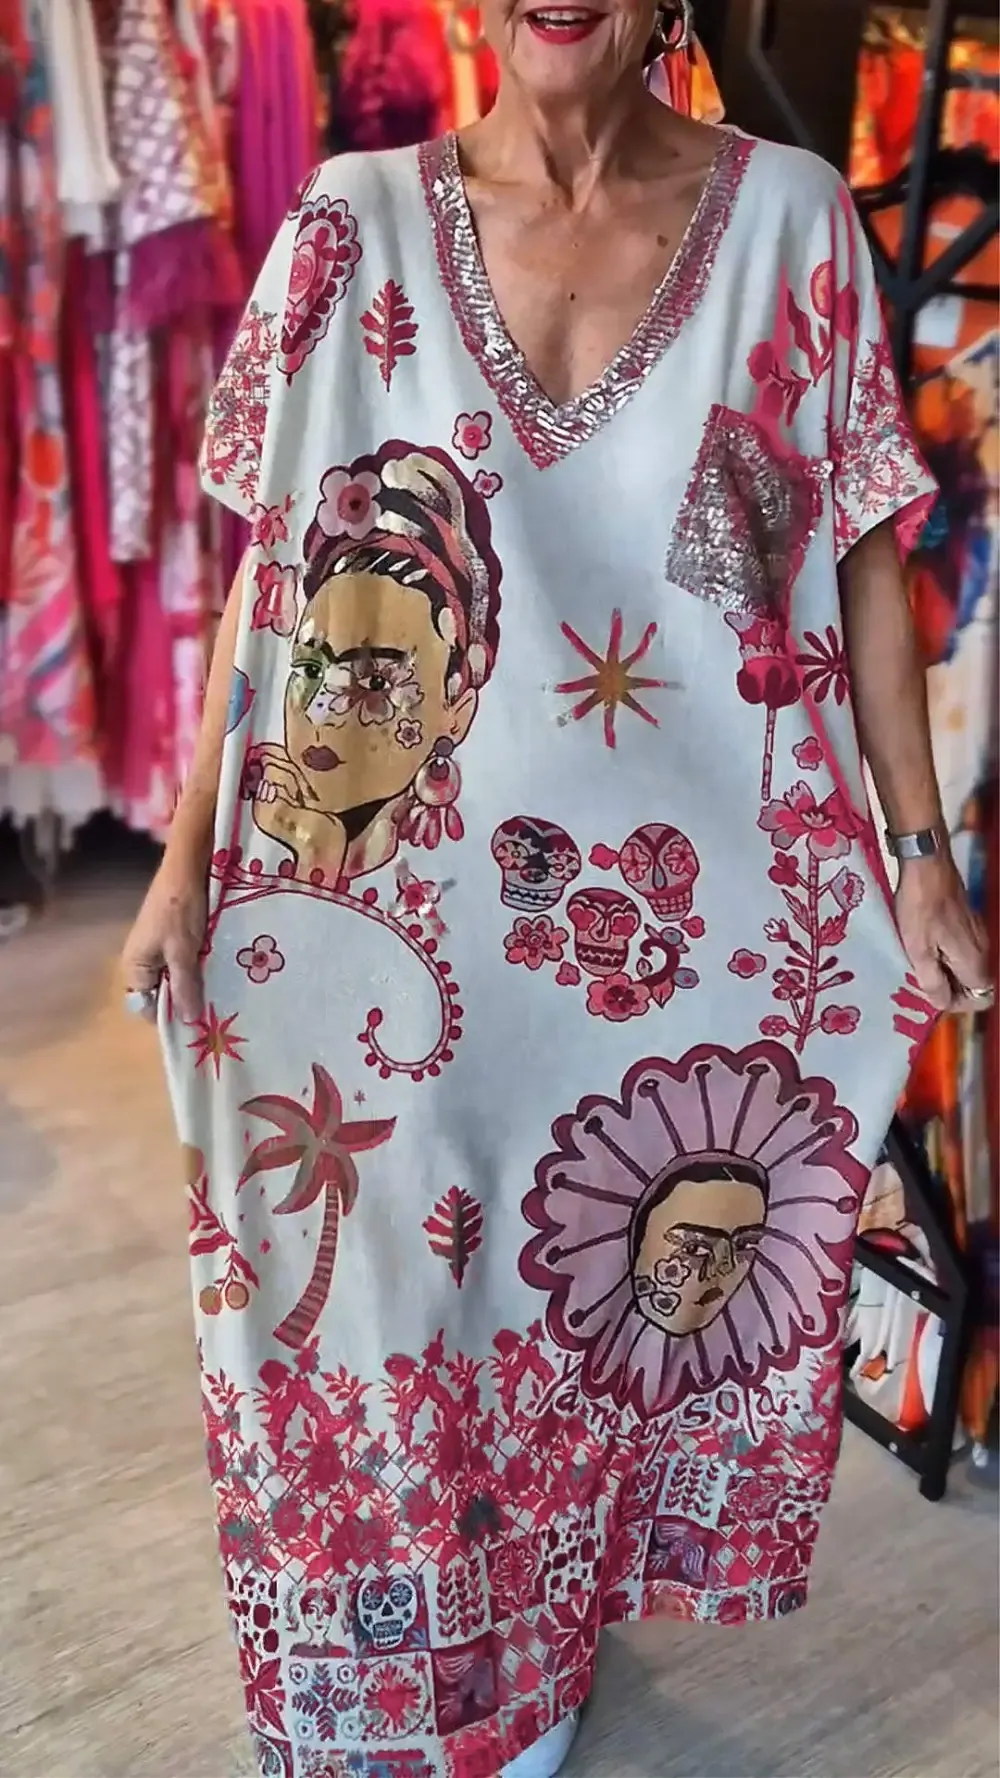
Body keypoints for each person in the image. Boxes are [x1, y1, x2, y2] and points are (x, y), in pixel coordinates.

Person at [122, 3, 993, 1776]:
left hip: (676, 928)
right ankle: (377, 1682)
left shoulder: (789, 215)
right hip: (378, 897)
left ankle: (531, 1656)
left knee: (581, 1307)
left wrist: (919, 854)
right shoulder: (349, 218)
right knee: (367, 1302)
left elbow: (857, 551)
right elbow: (273, 566)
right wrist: (185, 847)